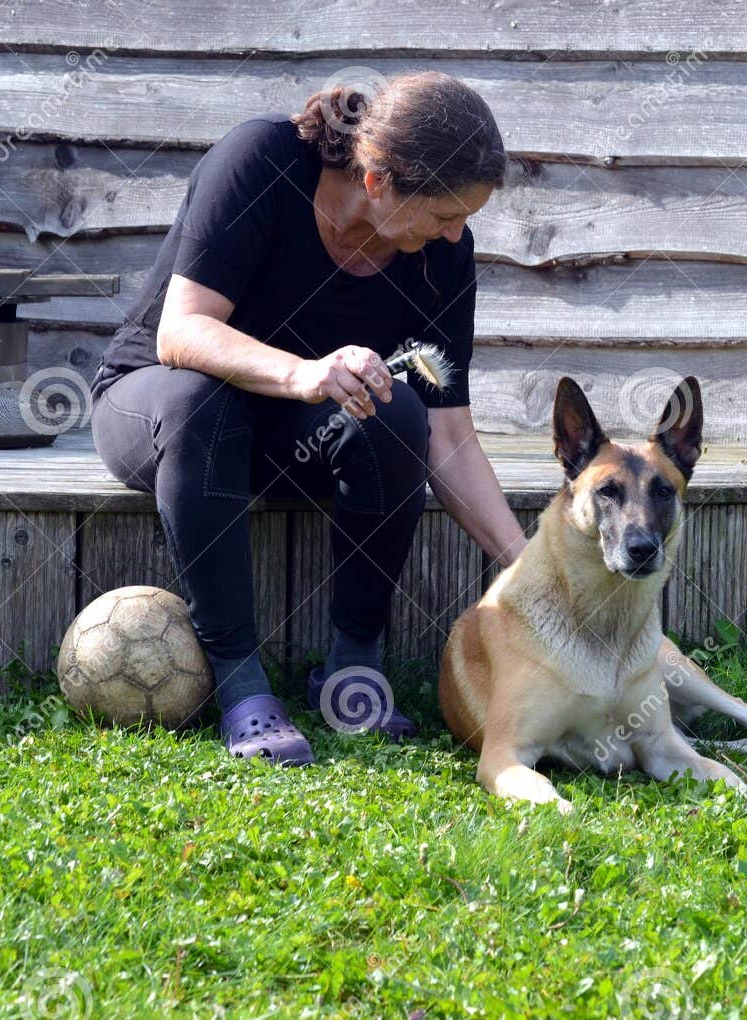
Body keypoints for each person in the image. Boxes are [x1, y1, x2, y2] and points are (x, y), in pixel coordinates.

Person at [90, 72, 528, 765]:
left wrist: (527, 569)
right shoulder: (260, 161)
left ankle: (354, 668)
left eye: (466, 218)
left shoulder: (443, 256)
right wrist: (303, 373)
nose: (455, 233)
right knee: (201, 400)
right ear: (380, 179)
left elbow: (450, 436)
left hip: (289, 439)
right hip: (162, 409)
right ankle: (240, 681)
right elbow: (182, 333)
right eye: (445, 213)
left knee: (399, 408)